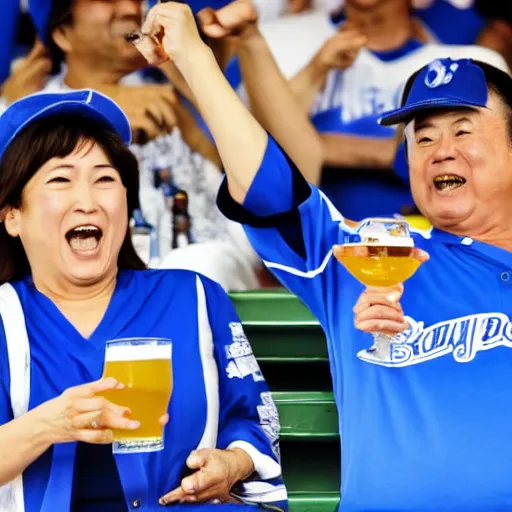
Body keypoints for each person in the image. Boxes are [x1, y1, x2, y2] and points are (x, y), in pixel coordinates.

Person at [133, 3, 512, 508]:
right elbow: (268, 185)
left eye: (463, 130)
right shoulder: (375, 255)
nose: (440, 149)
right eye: (422, 137)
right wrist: (196, 58)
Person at [0, 89, 287, 511]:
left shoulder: (193, 297)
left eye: (105, 179)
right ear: (12, 216)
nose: (88, 201)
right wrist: (48, 424)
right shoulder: (6, 316)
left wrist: (234, 460)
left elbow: (252, 416)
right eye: (60, 179)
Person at [289, 0, 508, 219]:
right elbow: (269, 151)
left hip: (429, 237)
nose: (439, 150)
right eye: (425, 138)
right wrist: (314, 71)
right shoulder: (291, 40)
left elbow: (495, 157)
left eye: (424, 138)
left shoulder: (466, 66)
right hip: (326, 237)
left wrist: (318, 147)